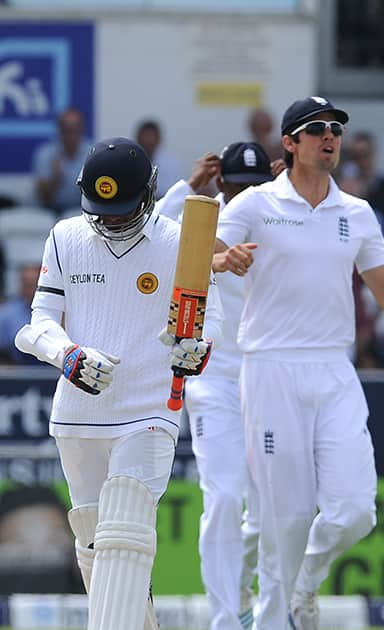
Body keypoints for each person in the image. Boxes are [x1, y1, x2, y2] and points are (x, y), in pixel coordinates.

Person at [213, 96, 384, 630]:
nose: (330, 136)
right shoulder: (253, 204)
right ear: (290, 143)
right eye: (316, 129)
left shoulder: (355, 211)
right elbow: (195, 260)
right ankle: (272, 620)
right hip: (269, 368)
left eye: (335, 129)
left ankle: (305, 584)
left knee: (355, 511)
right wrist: (222, 259)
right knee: (285, 520)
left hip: (334, 367)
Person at [13, 137, 222, 630]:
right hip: (78, 412)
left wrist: (198, 349)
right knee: (95, 543)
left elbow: (209, 322)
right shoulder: (65, 237)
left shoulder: (179, 239)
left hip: (150, 407)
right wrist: (67, 355)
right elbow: (37, 323)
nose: (110, 221)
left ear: (149, 194)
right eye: (101, 211)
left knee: (125, 528)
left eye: (121, 211)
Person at [155, 142, 273, 630]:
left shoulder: (283, 219)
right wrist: (189, 187)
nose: (246, 194)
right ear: (221, 183)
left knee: (277, 509)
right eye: (236, 185)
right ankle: (226, 619)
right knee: (224, 497)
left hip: (272, 376)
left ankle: (243, 590)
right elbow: (148, 236)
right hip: (214, 375)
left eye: (256, 186)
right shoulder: (199, 222)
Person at [32, 107, 91, 214]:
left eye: (75, 130)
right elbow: (43, 197)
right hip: (51, 209)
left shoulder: (92, 154)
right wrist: (56, 177)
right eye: (67, 130)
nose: (71, 136)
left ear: (82, 130)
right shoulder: (46, 153)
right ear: (60, 131)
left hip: (83, 210)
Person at [0, 264, 40, 364]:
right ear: (20, 285)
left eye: (35, 285)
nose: (31, 291)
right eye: (27, 285)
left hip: (56, 373)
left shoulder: (61, 311)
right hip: (18, 375)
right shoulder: (6, 314)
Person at [135, 120, 182, 199]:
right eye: (146, 137)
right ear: (138, 139)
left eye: (151, 138)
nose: (148, 140)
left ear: (158, 140)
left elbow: (171, 192)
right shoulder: (128, 158)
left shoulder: (170, 162)